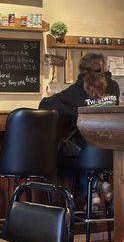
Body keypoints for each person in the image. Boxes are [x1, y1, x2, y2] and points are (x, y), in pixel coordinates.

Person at [39, 52, 120, 206]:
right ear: (103, 67)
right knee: (85, 158)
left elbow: (45, 104)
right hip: (110, 155)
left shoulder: (77, 90)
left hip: (85, 153)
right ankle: (96, 185)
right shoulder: (114, 87)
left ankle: (92, 189)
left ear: (81, 69)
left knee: (63, 160)